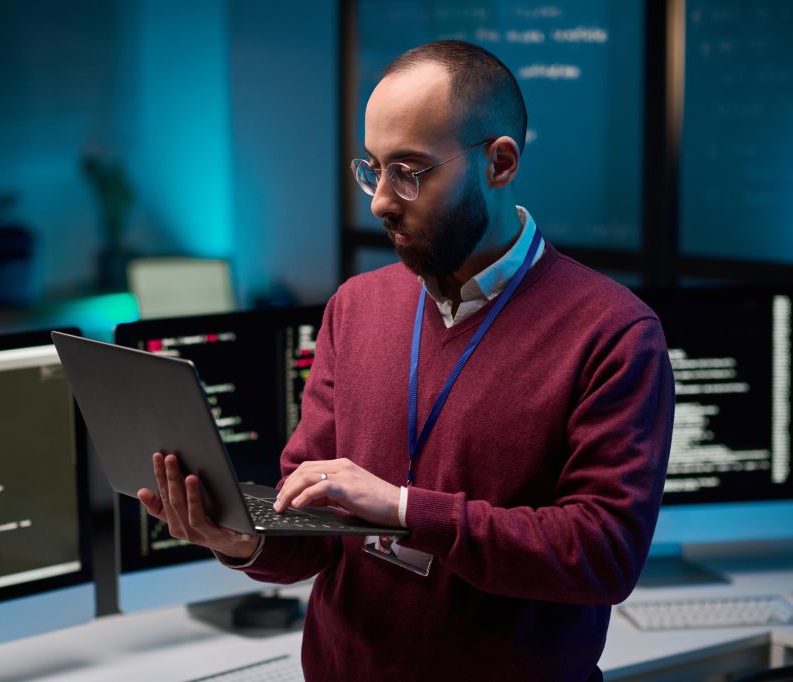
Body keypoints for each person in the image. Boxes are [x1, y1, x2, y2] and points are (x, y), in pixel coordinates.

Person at [138, 40, 674, 681]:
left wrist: (403, 509)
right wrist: (241, 541)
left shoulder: (613, 333)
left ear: (499, 163)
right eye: (374, 169)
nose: (381, 201)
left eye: (411, 172)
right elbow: (311, 522)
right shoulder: (356, 306)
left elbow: (603, 554)